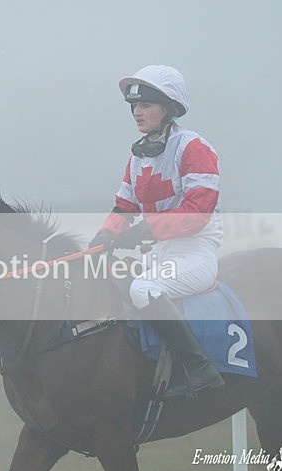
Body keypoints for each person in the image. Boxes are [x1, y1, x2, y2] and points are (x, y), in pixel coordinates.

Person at [88, 64, 224, 395]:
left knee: (143, 289)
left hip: (196, 251)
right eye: (134, 105)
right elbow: (124, 207)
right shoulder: (138, 157)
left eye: (145, 105)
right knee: (107, 280)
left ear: (169, 108)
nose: (137, 112)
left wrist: (146, 230)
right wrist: (105, 236)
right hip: (160, 252)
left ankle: (201, 369)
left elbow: (197, 213)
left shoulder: (194, 148)